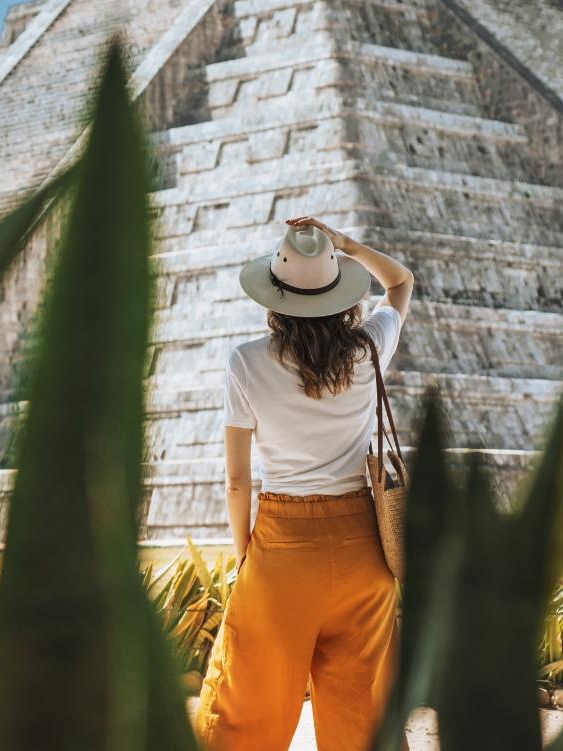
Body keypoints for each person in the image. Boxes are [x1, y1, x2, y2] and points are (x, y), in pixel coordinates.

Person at [193, 216, 414, 751]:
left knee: (244, 715)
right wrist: (344, 245)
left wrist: (247, 555)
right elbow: (401, 282)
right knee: (364, 719)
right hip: (364, 553)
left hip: (281, 551)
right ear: (341, 293)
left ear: (274, 295)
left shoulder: (245, 362)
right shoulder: (368, 350)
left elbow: (237, 480)